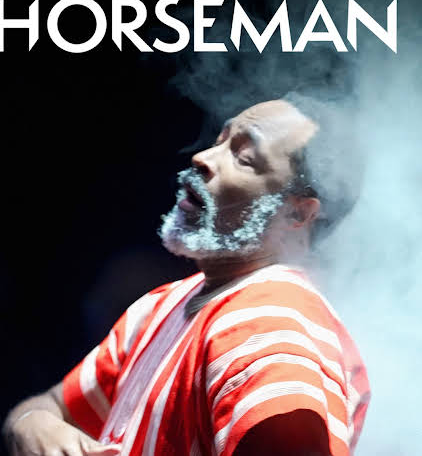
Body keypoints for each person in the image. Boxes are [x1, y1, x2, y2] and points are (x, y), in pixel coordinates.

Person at [3, 95, 370, 456]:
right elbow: (51, 406)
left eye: (243, 158)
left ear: (297, 214)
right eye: (220, 141)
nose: (203, 158)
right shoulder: (163, 304)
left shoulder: (269, 325)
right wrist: (32, 423)